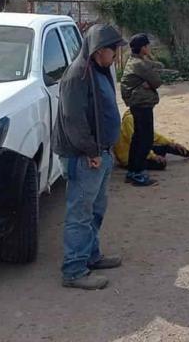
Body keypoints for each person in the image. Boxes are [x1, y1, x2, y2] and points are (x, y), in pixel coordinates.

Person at [54, 23, 126, 290]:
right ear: (98, 50)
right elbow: (73, 119)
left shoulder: (100, 70)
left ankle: (91, 256)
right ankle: (74, 270)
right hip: (85, 156)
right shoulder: (78, 76)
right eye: (113, 50)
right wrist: (91, 151)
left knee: (96, 209)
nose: (116, 55)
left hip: (99, 154)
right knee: (80, 213)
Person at [120, 33, 161, 187]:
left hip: (138, 104)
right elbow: (157, 81)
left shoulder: (135, 61)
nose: (149, 48)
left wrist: (148, 82)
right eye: (148, 46)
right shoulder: (139, 64)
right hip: (142, 104)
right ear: (143, 48)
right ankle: (137, 173)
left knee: (138, 138)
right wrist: (150, 82)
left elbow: (157, 69)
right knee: (145, 139)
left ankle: (133, 172)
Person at [114, 109, 189, 171]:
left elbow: (153, 136)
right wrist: (152, 156)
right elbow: (136, 143)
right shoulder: (130, 119)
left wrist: (172, 143)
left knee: (167, 146)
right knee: (161, 164)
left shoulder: (139, 115)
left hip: (138, 150)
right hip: (128, 157)